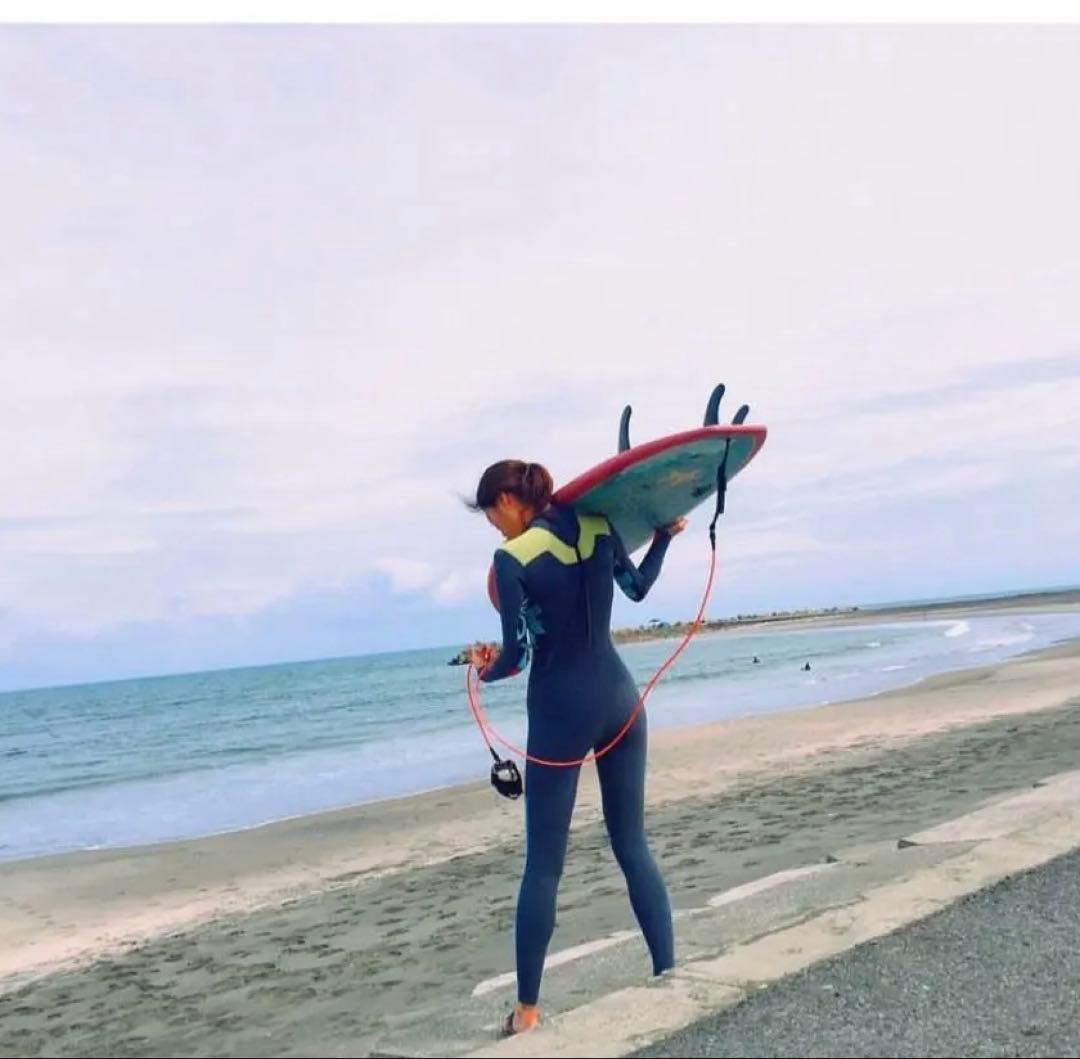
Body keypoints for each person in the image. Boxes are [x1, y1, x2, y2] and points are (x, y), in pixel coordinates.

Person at [466, 459, 684, 1036]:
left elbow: (517, 656)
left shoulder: (512, 559)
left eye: (491, 514)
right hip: (620, 702)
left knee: (544, 866)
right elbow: (637, 588)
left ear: (508, 500)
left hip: (560, 713)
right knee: (632, 843)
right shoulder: (595, 525)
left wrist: (485, 669)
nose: (493, 526)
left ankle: (527, 1013)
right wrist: (663, 537)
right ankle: (669, 972)